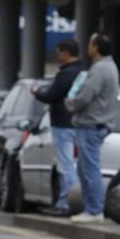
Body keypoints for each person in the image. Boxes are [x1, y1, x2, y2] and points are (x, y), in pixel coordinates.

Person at [65, 32, 120, 224]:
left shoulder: (100, 69)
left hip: (91, 124)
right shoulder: (111, 67)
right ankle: (91, 208)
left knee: (90, 169)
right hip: (97, 124)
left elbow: (85, 96)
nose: (87, 47)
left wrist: (69, 104)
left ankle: (95, 210)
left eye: (90, 43)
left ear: (96, 48)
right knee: (84, 168)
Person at [31, 39, 82, 217]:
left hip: (62, 123)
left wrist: (37, 92)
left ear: (67, 53)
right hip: (76, 123)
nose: (57, 56)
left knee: (65, 164)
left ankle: (66, 203)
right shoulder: (81, 73)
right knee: (71, 164)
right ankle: (66, 201)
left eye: (59, 52)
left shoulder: (65, 74)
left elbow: (52, 95)